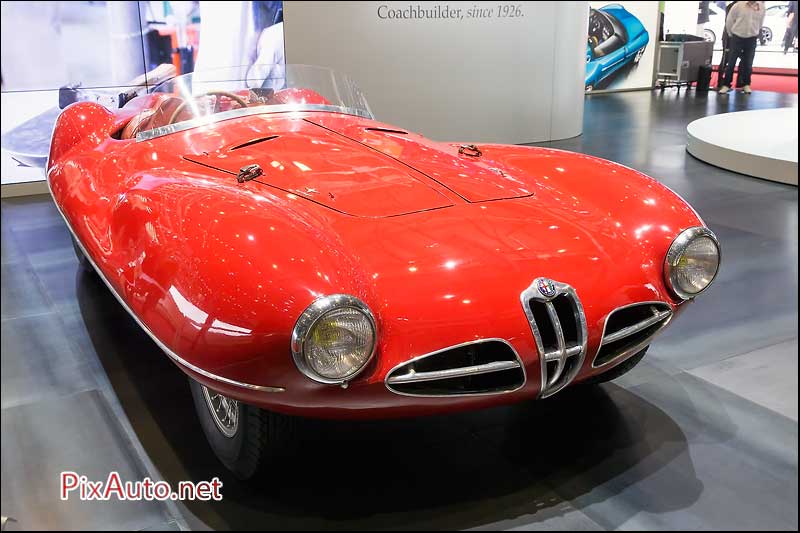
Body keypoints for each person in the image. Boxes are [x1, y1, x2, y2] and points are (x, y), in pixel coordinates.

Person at [719, 1, 766, 94]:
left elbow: (760, 22)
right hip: (737, 36)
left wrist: (755, 31)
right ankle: (726, 85)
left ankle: (746, 84)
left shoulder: (761, 7)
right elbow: (729, 21)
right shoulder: (738, 6)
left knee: (748, 63)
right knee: (731, 62)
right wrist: (731, 34)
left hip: (752, 38)